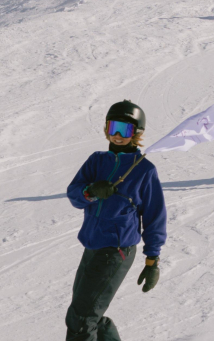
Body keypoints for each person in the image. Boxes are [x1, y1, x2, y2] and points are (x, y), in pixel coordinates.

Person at [65, 100, 166, 341]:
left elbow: (155, 216)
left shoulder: (144, 170)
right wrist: (90, 191)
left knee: (82, 319)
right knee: (88, 314)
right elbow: (74, 194)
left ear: (137, 133)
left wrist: (152, 260)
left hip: (116, 252)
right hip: (92, 247)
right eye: (114, 127)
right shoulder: (97, 161)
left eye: (126, 130)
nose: (118, 135)